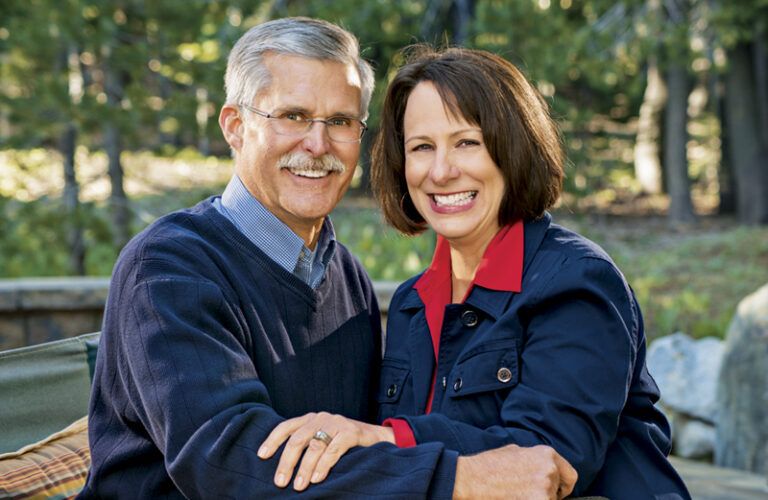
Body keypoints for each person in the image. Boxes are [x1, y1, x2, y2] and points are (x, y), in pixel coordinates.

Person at [79, 18, 577, 499]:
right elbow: (228, 463)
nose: (317, 145)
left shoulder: (346, 277)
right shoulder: (168, 268)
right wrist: (460, 480)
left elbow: (361, 438)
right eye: (292, 116)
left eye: (340, 121)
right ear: (235, 127)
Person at [257, 46, 692, 499]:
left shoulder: (576, 283)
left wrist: (384, 439)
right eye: (422, 148)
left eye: (467, 143)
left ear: (512, 147)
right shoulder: (411, 303)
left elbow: (546, 462)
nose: (442, 171)